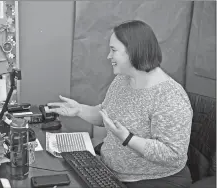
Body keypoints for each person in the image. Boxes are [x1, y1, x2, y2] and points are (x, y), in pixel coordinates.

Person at [46, 20, 193, 188]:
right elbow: (105, 116)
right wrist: (79, 110)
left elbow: (173, 154)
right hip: (110, 171)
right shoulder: (122, 80)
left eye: (113, 50)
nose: (109, 56)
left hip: (152, 181)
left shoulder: (170, 97)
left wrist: (128, 138)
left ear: (133, 52)